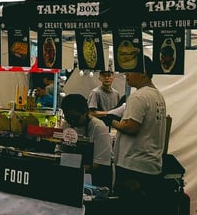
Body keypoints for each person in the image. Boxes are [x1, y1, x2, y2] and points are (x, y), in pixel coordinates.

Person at [111, 56, 167, 198]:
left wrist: (111, 121)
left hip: (133, 165)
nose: (126, 75)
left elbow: (131, 127)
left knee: (129, 212)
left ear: (143, 72)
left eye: (130, 71)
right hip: (151, 164)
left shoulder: (138, 96)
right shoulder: (158, 96)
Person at [60, 93, 112, 187]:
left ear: (85, 112)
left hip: (95, 178)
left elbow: (99, 163)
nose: (71, 121)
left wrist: (76, 169)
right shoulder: (66, 125)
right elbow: (60, 149)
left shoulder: (98, 127)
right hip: (72, 172)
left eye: (75, 117)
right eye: (68, 118)